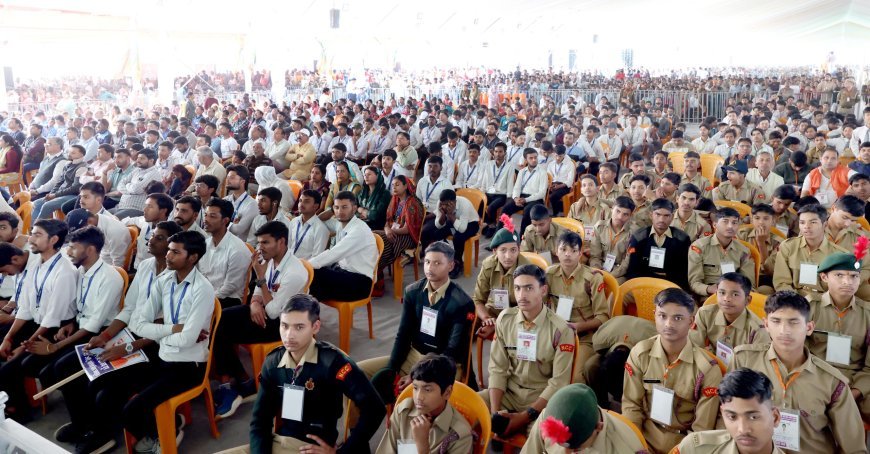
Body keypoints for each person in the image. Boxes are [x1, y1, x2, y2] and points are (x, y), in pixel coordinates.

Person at [50, 221, 181, 453]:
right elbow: (129, 308)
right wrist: (106, 335)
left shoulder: (180, 276)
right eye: (152, 235)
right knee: (67, 368)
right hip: (132, 334)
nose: (150, 240)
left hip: (157, 344)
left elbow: (169, 324)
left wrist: (128, 347)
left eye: (159, 238)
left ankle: (103, 434)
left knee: (101, 385)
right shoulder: (147, 266)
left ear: (174, 247)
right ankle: (84, 424)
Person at [225, 294, 385, 453]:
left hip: (309, 448)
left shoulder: (332, 362)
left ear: (315, 327)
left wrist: (343, 452)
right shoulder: (273, 363)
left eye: (299, 327)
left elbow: (375, 407)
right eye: (284, 326)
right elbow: (260, 421)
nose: (289, 335)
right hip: (277, 442)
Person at [730, 291, 866, 454]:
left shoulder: (831, 380)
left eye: (793, 322)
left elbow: (854, 449)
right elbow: (727, 417)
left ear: (809, 327)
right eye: (776, 321)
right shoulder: (744, 361)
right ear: (766, 325)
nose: (784, 330)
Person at [126, 230, 216, 453]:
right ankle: (173, 423)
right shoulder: (165, 280)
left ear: (192, 257)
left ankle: (168, 433)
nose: (168, 255)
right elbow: (137, 324)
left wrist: (160, 332)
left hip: (188, 365)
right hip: (163, 355)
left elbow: (187, 340)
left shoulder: (202, 289)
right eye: (169, 250)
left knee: (132, 410)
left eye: (175, 252)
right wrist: (173, 328)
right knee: (115, 389)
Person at [212, 220, 309, 419]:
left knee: (222, 330)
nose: (260, 247)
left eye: (265, 242)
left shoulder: (295, 272)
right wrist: (255, 303)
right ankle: (238, 381)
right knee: (220, 319)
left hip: (282, 325)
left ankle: (235, 383)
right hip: (264, 311)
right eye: (259, 242)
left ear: (281, 242)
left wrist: (261, 279)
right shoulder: (271, 260)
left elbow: (273, 312)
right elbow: (257, 291)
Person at [359, 242, 474, 407]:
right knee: (358, 371)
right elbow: (403, 334)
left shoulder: (461, 303)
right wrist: (391, 369)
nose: (430, 268)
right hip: (413, 356)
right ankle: (360, 422)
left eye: (437, 263)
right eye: (427, 262)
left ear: (450, 266)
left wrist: (415, 376)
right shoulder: (412, 292)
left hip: (443, 365)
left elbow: (452, 351)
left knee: (422, 400)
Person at [622, 288, 724, 454]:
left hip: (682, 443)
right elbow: (631, 405)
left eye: (677, 318)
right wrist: (635, 444)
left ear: (691, 321)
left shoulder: (706, 370)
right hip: (646, 435)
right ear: (654, 315)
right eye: (662, 316)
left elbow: (701, 429)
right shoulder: (640, 354)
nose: (668, 324)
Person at [482, 264, 574, 438]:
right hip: (509, 392)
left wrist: (524, 417)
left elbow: (559, 383)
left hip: (541, 399)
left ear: (543, 290)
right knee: (468, 408)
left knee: (542, 436)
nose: (521, 295)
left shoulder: (560, 330)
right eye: (517, 288)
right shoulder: (505, 319)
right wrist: (496, 414)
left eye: (529, 288)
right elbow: (497, 368)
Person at [0, 219, 77, 421]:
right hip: (37, 323)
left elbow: (52, 318)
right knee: (3, 348)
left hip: (56, 330)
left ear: (53, 240)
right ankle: (12, 404)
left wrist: (23, 346)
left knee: (10, 368)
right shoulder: (35, 265)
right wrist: (9, 337)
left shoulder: (64, 271)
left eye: (37, 235)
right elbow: (25, 307)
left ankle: (20, 411)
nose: (31, 239)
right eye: (32, 233)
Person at [809, 251, 870, 421]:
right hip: (816, 375)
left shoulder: (867, 314)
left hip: (854, 378)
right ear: (824, 277)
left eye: (853, 276)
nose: (847, 282)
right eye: (839, 275)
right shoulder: (809, 308)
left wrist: (855, 391)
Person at [669, 368, 785, 454]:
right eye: (732, 417)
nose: (742, 429)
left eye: (753, 417)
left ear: (775, 418)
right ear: (723, 413)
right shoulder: (694, 449)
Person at [376, 354, 473, 454]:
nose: (418, 397)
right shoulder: (403, 412)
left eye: (427, 390)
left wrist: (422, 445)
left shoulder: (460, 435)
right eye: (415, 388)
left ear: (447, 392)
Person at [545, 231, 608, 383]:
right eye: (563, 249)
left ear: (580, 254)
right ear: (556, 251)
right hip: (557, 334)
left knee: (576, 378)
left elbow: (603, 317)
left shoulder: (592, 278)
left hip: (585, 336)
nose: (568, 254)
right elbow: (541, 306)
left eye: (573, 250)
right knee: (542, 370)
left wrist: (577, 327)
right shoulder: (549, 275)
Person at [774, 203, 870, 303]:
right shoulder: (788, 247)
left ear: (824, 225)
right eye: (802, 222)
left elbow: (840, 290)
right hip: (793, 300)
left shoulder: (840, 254)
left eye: (813, 222)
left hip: (825, 301)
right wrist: (794, 302)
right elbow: (782, 282)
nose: (806, 226)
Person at [522, 383, 648, 454]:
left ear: (599, 427)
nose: (566, 453)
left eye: (577, 448)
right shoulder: (549, 419)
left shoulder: (625, 448)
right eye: (559, 443)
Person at [309, 191, 378, 301]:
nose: (340, 211)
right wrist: (332, 210)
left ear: (354, 208)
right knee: (312, 274)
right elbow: (316, 222)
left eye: (344, 207)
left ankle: (308, 307)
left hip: (360, 282)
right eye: (337, 207)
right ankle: (310, 305)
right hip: (343, 272)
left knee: (313, 274)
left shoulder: (359, 230)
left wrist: (306, 265)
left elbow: (334, 254)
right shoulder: (339, 223)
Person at [471, 217, 534, 339]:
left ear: (519, 249)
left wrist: (498, 324)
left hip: (519, 313)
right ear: (494, 251)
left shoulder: (527, 269)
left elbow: (530, 308)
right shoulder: (488, 265)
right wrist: (487, 319)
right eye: (503, 250)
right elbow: (478, 300)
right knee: (466, 324)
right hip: (494, 308)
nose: (508, 256)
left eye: (513, 250)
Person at [689, 272, 766, 364]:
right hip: (711, 365)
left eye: (735, 294)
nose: (726, 298)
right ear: (716, 294)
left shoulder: (757, 329)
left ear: (747, 300)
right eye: (722, 293)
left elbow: (758, 364)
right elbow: (694, 347)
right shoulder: (705, 314)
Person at [583, 315, 657, 406]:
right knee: (590, 365)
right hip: (614, 331)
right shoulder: (600, 340)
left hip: (643, 337)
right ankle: (601, 404)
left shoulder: (651, 342)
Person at [688, 207, 756, 299]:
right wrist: (709, 289)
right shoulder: (699, 247)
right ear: (715, 225)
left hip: (734, 295)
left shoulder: (743, 251)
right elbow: (694, 283)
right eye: (725, 222)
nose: (730, 226)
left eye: (734, 223)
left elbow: (749, 284)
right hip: (708, 296)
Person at [626, 198, 691, 289]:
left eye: (666, 215)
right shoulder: (639, 237)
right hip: (643, 284)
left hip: (670, 286)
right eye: (658, 214)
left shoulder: (682, 239)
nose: (661, 219)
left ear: (672, 217)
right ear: (651, 215)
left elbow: (683, 272)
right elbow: (632, 269)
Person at [198, 199, 251, 308]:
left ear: (225, 220)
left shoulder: (237, 250)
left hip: (228, 299)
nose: (206, 220)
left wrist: (204, 298)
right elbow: (201, 274)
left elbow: (230, 287)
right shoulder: (206, 243)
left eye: (212, 216)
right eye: (206, 215)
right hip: (207, 294)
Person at [420, 189, 480, 277]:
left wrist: (450, 215)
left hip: (471, 223)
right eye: (443, 204)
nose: (444, 206)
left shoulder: (465, 205)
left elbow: (462, 229)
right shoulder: (440, 203)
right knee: (437, 233)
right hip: (453, 220)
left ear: (454, 202)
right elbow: (438, 225)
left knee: (458, 237)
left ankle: (458, 262)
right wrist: (443, 214)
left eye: (447, 204)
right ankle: (443, 255)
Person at [374, 175, 425, 281]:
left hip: (408, 237)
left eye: (397, 185)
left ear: (406, 186)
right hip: (394, 232)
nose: (394, 187)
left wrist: (390, 231)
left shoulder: (412, 203)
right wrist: (387, 230)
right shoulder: (395, 200)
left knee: (383, 241)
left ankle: (377, 274)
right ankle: (375, 272)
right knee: (373, 235)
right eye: (392, 185)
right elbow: (388, 221)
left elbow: (407, 229)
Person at [31, 144, 88, 225]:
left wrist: (55, 195)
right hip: (60, 193)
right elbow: (60, 182)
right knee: (37, 203)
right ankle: (32, 227)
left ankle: (39, 227)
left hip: (72, 195)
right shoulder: (68, 164)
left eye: (73, 153)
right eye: (69, 152)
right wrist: (52, 193)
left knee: (47, 205)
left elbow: (75, 188)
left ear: (81, 155)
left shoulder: (82, 167)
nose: (69, 154)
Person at [501, 148, 549, 237]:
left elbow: (542, 193)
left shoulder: (542, 172)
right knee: (505, 209)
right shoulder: (522, 172)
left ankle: (522, 238)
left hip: (536, 199)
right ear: (526, 159)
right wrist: (516, 198)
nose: (534, 160)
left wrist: (525, 200)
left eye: (535, 157)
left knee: (527, 212)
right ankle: (502, 234)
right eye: (531, 158)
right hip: (522, 197)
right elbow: (516, 188)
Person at [589, 196, 635, 283]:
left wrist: (609, 276)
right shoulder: (599, 227)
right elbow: (595, 255)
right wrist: (597, 271)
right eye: (618, 211)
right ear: (612, 209)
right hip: (599, 268)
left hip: (619, 273)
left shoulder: (633, 233)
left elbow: (627, 263)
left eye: (625, 214)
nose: (620, 217)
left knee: (612, 286)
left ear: (630, 215)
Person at [65, 208, 131, 268]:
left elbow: (118, 264)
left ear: (90, 221)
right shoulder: (96, 222)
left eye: (81, 230)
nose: (80, 234)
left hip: (108, 267)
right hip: (99, 260)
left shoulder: (115, 232)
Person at [123, 192, 173, 270]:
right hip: (137, 267)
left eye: (150, 206)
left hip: (154, 271)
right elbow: (126, 221)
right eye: (145, 206)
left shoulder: (171, 232)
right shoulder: (144, 221)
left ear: (163, 211)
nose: (144, 209)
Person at [112, 148, 162, 219]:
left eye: (142, 158)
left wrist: (127, 185)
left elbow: (136, 189)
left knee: (109, 220)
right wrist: (130, 190)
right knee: (99, 216)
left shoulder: (153, 173)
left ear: (151, 160)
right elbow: (120, 184)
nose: (138, 160)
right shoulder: (137, 170)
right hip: (121, 206)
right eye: (138, 158)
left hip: (136, 209)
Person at [479, 143, 515, 237]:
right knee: (478, 204)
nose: (498, 154)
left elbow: (510, 182)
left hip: (501, 194)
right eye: (496, 151)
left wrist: (509, 197)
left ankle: (492, 226)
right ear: (493, 153)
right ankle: (491, 224)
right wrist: (482, 192)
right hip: (489, 192)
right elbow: (484, 179)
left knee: (491, 208)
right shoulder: (489, 164)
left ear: (505, 153)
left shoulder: (510, 166)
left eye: (500, 152)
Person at [287, 189, 329, 260]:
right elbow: (288, 247)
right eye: (300, 201)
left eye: (306, 202)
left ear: (315, 206)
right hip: (289, 262)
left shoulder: (321, 229)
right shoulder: (293, 222)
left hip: (307, 266)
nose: (301, 204)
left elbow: (316, 258)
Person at [224, 165, 258, 241]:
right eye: (227, 177)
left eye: (232, 177)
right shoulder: (225, 200)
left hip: (239, 244)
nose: (227, 180)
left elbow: (237, 230)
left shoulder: (252, 204)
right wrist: (231, 224)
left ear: (242, 181)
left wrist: (221, 223)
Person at [357, 165, 390, 231]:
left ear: (377, 176)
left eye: (369, 174)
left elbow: (375, 215)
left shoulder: (384, 193)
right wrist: (361, 213)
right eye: (365, 175)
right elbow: (354, 207)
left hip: (376, 227)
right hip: (361, 224)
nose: (366, 177)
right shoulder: (362, 192)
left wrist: (362, 210)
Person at [546, 145, 575, 214]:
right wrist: (550, 185)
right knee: (540, 192)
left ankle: (555, 213)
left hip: (564, 186)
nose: (558, 158)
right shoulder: (551, 163)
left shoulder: (570, 164)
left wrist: (559, 186)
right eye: (556, 155)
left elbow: (570, 180)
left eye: (560, 156)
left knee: (553, 197)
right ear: (553, 154)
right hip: (553, 184)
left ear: (564, 155)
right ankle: (542, 212)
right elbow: (549, 177)